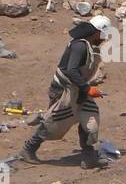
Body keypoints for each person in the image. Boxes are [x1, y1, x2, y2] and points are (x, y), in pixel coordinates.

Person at [20, 16, 112, 169]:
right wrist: (88, 88)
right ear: (96, 32)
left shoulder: (89, 46)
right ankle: (28, 149)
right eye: (103, 34)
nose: (104, 38)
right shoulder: (80, 46)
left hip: (78, 89)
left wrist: (85, 88)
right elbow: (71, 70)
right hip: (63, 91)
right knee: (54, 122)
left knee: (90, 120)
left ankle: (88, 156)